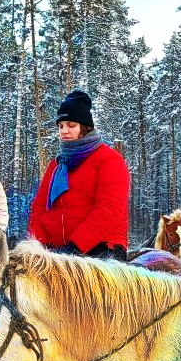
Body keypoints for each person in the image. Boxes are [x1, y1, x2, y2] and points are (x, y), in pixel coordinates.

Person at [29, 90, 129, 260]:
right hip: (58, 251)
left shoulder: (109, 159)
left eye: (71, 125)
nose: (64, 131)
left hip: (101, 247)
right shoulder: (56, 165)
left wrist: (74, 247)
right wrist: (40, 246)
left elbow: (109, 210)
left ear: (85, 127)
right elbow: (39, 209)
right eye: (60, 126)